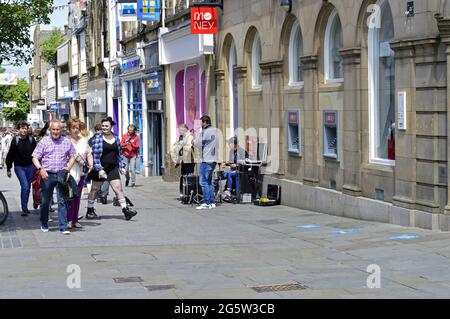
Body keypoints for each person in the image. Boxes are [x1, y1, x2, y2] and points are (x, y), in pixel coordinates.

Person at [86, 117, 137, 220]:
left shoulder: (116, 137)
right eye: (103, 126)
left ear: (111, 127)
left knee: (118, 188)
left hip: (112, 167)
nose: (104, 128)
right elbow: (95, 155)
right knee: (95, 189)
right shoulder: (98, 137)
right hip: (99, 167)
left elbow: (118, 154)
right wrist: (99, 169)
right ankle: (90, 210)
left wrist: (121, 166)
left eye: (106, 126)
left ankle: (126, 210)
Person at [32, 120, 77, 234]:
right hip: (47, 174)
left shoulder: (66, 142)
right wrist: (40, 169)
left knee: (63, 200)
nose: (56, 132)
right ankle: (44, 223)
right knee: (45, 201)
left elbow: (73, 155)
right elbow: (35, 157)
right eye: (54, 129)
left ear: (61, 130)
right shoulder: (44, 142)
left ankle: (63, 227)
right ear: (50, 130)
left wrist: (68, 168)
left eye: (58, 129)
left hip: (61, 173)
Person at [5, 121, 37, 216]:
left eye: (25, 128)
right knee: (25, 186)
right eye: (22, 128)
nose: (24, 130)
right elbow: (10, 154)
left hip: (30, 166)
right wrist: (8, 168)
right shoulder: (15, 140)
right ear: (19, 130)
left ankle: (25, 206)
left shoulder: (32, 140)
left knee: (27, 188)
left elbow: (37, 153)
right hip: (19, 167)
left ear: (28, 129)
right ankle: (24, 208)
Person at [67, 118, 93, 229]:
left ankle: (75, 219)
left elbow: (89, 153)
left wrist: (91, 164)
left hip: (81, 172)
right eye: (73, 128)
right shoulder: (65, 140)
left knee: (77, 196)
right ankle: (68, 219)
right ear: (69, 129)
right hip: (69, 172)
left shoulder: (83, 140)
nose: (76, 130)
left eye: (77, 127)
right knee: (69, 196)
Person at [194, 115, 218, 210]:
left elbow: (198, 144)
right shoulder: (215, 131)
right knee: (209, 182)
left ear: (204, 122)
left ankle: (207, 202)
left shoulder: (204, 132)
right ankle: (212, 202)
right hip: (214, 160)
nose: (200, 125)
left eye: (201, 123)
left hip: (206, 160)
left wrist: (193, 141)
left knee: (203, 182)